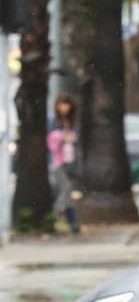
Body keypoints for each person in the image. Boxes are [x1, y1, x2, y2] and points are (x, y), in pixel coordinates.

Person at [47, 93, 81, 235]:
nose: (64, 107)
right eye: (62, 104)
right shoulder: (53, 120)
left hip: (70, 159)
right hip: (58, 161)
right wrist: (63, 137)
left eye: (66, 104)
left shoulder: (73, 121)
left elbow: (77, 138)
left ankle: (72, 222)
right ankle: (56, 213)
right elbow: (51, 140)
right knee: (66, 190)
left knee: (68, 193)